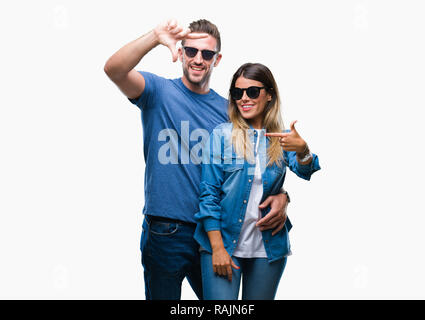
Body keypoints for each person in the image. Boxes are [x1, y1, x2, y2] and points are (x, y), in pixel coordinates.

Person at [104, 19, 290, 300]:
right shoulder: (158, 91)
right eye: (191, 51)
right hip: (166, 229)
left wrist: (283, 196)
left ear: (217, 60)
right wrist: (155, 36)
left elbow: (260, 165)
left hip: (217, 233)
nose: (198, 59)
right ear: (180, 52)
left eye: (206, 54)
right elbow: (113, 69)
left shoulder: (231, 111)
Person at [194, 63, 321, 300]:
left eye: (252, 91)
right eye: (237, 92)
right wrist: (217, 248)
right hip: (224, 244)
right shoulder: (221, 135)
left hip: (268, 248)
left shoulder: (281, 138)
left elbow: (305, 170)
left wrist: (303, 149)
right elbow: (208, 194)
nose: (244, 98)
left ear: (269, 94)